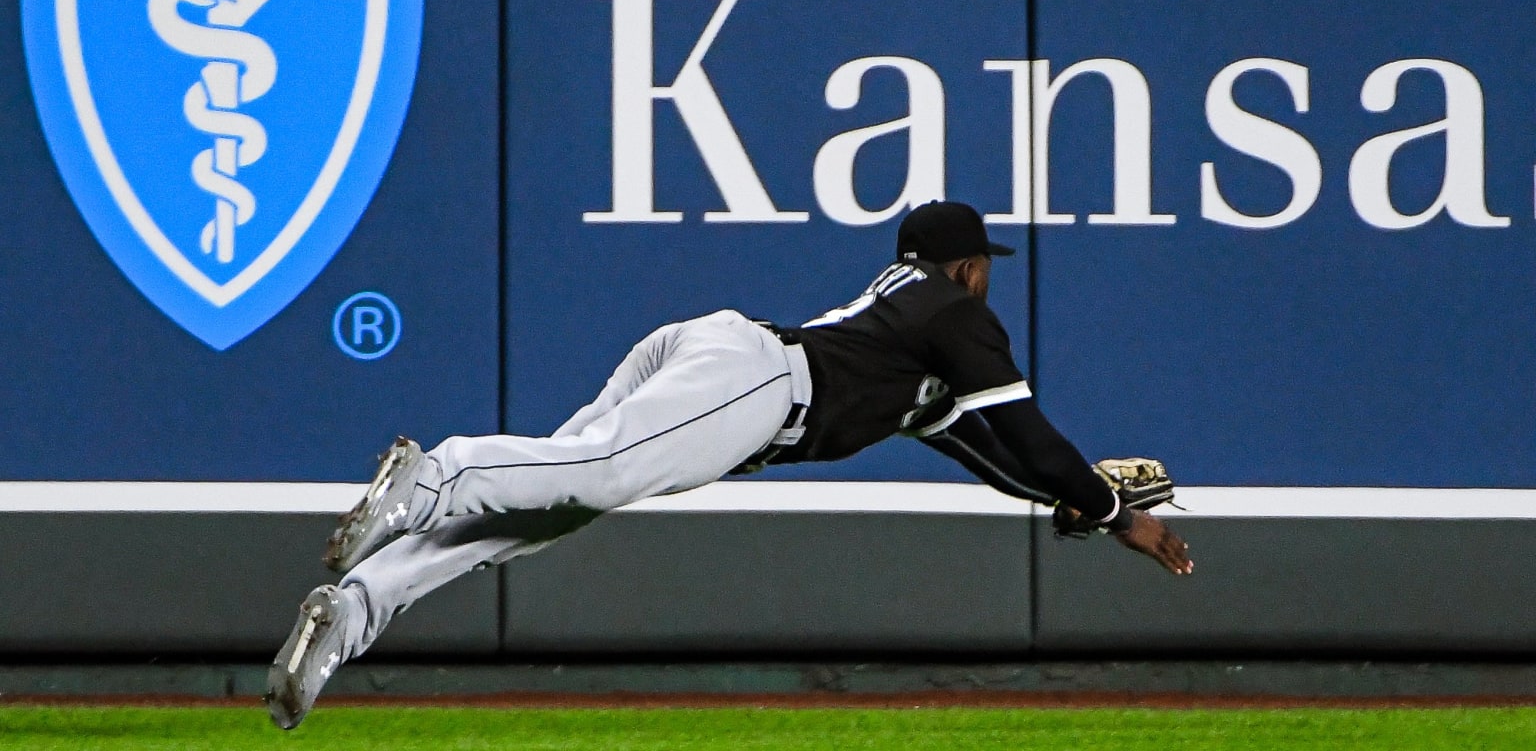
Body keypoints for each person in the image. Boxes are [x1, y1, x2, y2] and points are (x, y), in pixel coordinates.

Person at [264, 200, 1194, 729]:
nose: (987, 275)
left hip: (721, 362)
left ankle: (350, 613)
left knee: (551, 503)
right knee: (594, 473)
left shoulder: (917, 348)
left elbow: (1001, 458)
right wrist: (1122, 517)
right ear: (965, 267)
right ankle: (433, 477)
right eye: (982, 263)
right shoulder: (953, 312)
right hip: (756, 387)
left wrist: (1084, 502)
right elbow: (1029, 432)